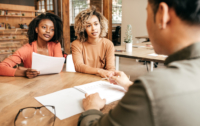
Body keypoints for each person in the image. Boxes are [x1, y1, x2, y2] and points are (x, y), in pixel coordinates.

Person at [78, 0, 200, 126]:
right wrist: (129, 84)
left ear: (162, 15)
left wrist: (91, 109)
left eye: (147, 13)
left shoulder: (151, 88)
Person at [0, 13, 63, 78]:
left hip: (53, 83)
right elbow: (1, 67)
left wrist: (23, 68)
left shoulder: (56, 45)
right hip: (31, 85)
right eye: (44, 27)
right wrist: (24, 72)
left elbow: (59, 67)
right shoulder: (27, 49)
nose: (48, 31)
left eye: (52, 29)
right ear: (36, 29)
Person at [71, 6, 115, 78]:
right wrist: (99, 71)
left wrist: (109, 75)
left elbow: (110, 68)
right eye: (88, 25)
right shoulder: (76, 44)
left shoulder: (108, 44)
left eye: (96, 24)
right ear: (83, 28)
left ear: (101, 25)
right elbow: (78, 66)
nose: (93, 28)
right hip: (82, 80)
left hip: (102, 79)